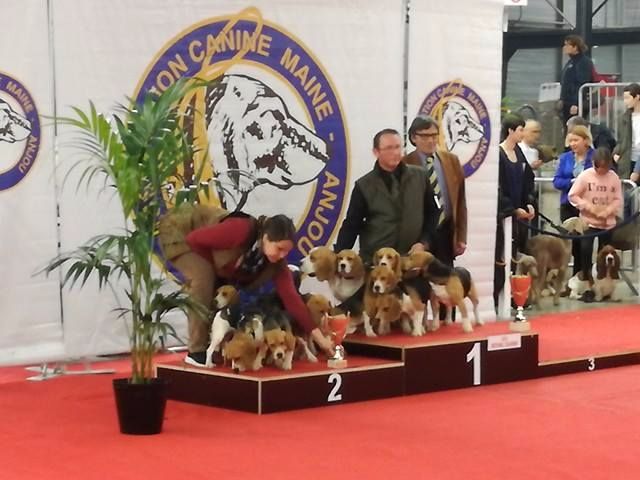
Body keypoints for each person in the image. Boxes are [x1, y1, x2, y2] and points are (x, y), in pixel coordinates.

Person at [164, 210, 334, 367]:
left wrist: (322, 341)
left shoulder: (276, 264)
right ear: (266, 238)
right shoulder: (239, 230)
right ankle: (196, 351)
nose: (282, 256)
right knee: (204, 276)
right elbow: (194, 239)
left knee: (225, 289)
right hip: (178, 231)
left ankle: (214, 345)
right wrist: (215, 267)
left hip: (201, 241)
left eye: (286, 252)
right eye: (279, 249)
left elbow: (293, 301)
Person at [335, 128, 437, 264]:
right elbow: (352, 225)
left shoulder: (421, 177)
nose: (395, 152)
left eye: (397, 147)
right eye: (389, 148)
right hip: (376, 264)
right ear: (376, 152)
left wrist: (424, 242)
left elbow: (433, 213)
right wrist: (338, 256)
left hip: (411, 262)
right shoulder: (364, 185)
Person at [402, 115, 468, 267]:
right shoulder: (404, 165)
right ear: (413, 138)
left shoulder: (452, 161)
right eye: (425, 136)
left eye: (434, 135)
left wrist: (461, 236)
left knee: (445, 283)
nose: (431, 140)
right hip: (418, 235)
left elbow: (461, 201)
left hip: (446, 231)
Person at [494, 113, 536, 308]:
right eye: (520, 130)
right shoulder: (499, 154)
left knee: (516, 253)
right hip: (503, 216)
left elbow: (528, 180)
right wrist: (512, 209)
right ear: (510, 130)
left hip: (518, 215)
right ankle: (498, 294)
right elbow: (498, 187)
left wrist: (528, 202)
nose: (523, 133)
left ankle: (514, 295)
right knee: (502, 255)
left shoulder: (519, 153)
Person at [568, 147, 623, 289]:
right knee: (585, 250)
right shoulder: (585, 176)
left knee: (604, 254)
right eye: (598, 168)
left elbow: (618, 199)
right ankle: (586, 280)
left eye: (604, 168)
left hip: (607, 222)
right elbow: (573, 195)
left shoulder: (614, 177)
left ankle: (602, 282)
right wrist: (589, 207)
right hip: (588, 222)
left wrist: (608, 211)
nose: (601, 172)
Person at [553, 125, 594, 276]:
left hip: (588, 206)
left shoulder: (594, 156)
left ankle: (585, 276)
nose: (573, 144)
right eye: (570, 141)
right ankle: (575, 278)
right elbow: (557, 181)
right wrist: (572, 182)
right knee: (573, 243)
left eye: (576, 140)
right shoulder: (565, 158)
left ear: (585, 140)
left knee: (586, 245)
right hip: (568, 205)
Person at [559, 34, 594, 124]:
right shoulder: (571, 62)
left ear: (575, 47)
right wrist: (562, 99)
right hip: (567, 102)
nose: (564, 47)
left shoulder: (583, 62)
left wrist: (577, 103)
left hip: (575, 103)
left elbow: (582, 83)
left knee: (576, 128)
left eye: (567, 45)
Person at [612, 83, 640, 182]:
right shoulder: (623, 118)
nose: (625, 101)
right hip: (628, 158)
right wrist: (616, 152)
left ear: (637, 97)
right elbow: (620, 140)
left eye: (627, 98)